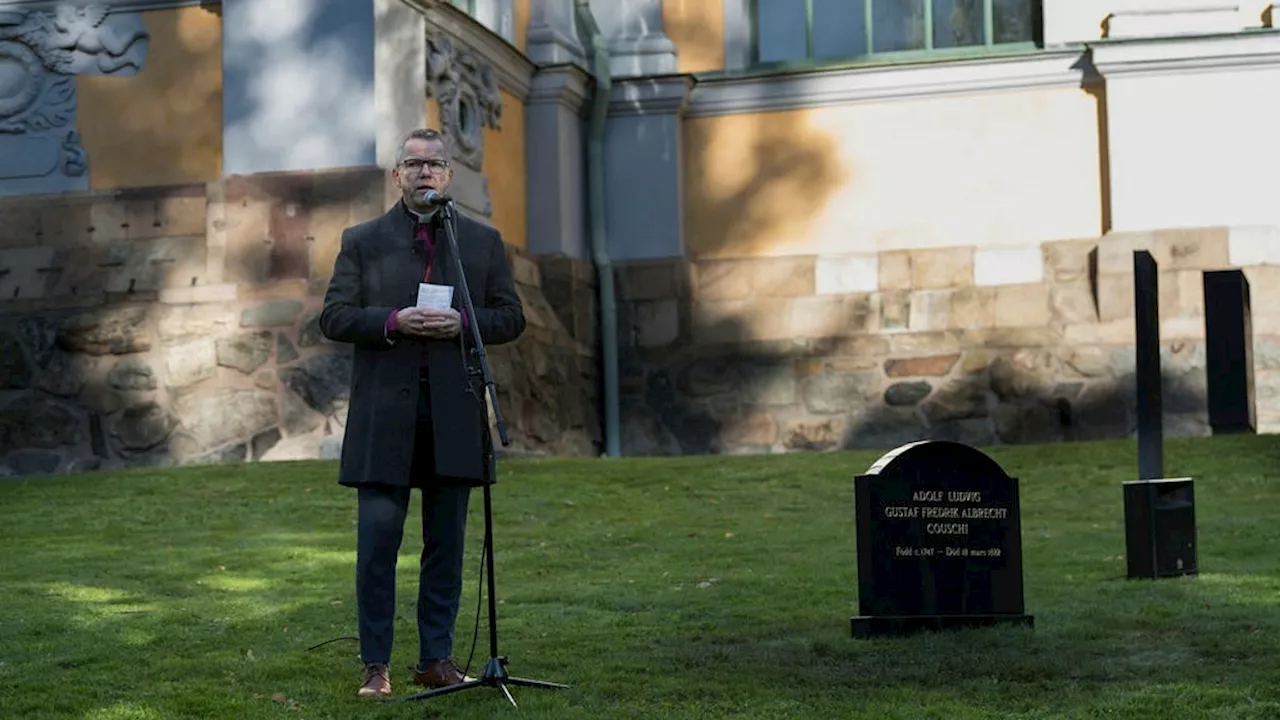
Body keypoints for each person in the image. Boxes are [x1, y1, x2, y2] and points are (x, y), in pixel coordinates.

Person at [319, 128, 526, 698]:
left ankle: (436, 659)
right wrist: (392, 321)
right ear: (397, 176)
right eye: (413, 163)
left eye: (434, 163)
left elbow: (511, 316)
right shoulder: (361, 240)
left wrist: (465, 323)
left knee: (446, 549)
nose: (424, 172)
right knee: (377, 549)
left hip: (454, 416)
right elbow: (334, 316)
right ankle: (375, 666)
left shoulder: (480, 243)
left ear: (448, 175)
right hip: (385, 417)